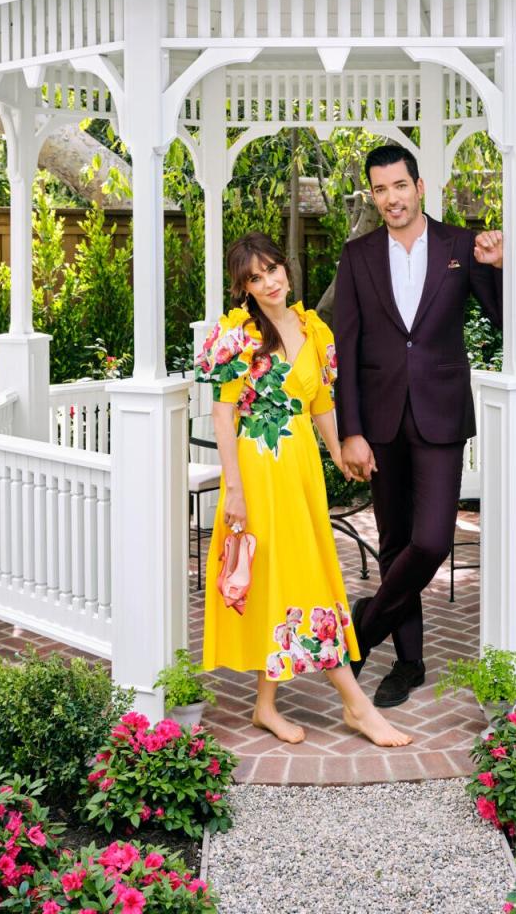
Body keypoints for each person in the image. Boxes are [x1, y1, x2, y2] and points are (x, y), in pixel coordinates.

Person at [195, 231, 412, 748]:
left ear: (286, 270)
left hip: (300, 474)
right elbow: (223, 418)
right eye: (255, 277)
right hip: (258, 474)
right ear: (243, 287)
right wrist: (236, 491)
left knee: (286, 584)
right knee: (306, 587)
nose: (269, 282)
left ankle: (264, 707)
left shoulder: (313, 329)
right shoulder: (237, 334)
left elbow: (320, 407)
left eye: (273, 270)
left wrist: (341, 454)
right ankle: (356, 707)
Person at [334, 144, 503, 708]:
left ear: (420, 185)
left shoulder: (462, 245)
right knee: (396, 542)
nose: (391, 199)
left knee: (431, 540)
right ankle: (408, 663)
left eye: (399, 186)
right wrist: (350, 431)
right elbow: (348, 345)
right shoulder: (357, 255)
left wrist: (501, 268)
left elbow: (505, 317)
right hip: (379, 421)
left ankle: (363, 629)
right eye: (380, 190)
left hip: (441, 412)